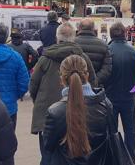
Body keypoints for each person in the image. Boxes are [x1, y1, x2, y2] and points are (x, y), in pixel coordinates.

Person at [30, 22, 97, 165]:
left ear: (57, 38)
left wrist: (39, 104)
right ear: (74, 38)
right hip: (80, 113)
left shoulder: (45, 59)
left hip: (48, 114)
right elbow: (93, 83)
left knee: (48, 154)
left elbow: (33, 86)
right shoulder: (82, 58)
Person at [42, 55, 111, 164]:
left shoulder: (55, 112)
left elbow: (48, 146)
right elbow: (110, 140)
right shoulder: (106, 105)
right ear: (87, 75)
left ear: (62, 78)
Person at [105, 22, 135, 162]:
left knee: (111, 130)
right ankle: (130, 155)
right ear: (125, 34)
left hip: (110, 97)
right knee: (130, 129)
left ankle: (114, 156)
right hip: (128, 96)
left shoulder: (107, 51)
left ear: (111, 34)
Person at [0, 22, 30, 129]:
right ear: (6, 38)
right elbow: (24, 82)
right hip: (9, 108)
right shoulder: (16, 57)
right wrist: (14, 96)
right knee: (8, 142)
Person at [75, 18, 112, 87]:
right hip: (95, 88)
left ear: (79, 28)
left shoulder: (72, 43)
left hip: (75, 85)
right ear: (93, 28)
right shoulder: (103, 45)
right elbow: (107, 69)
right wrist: (94, 81)